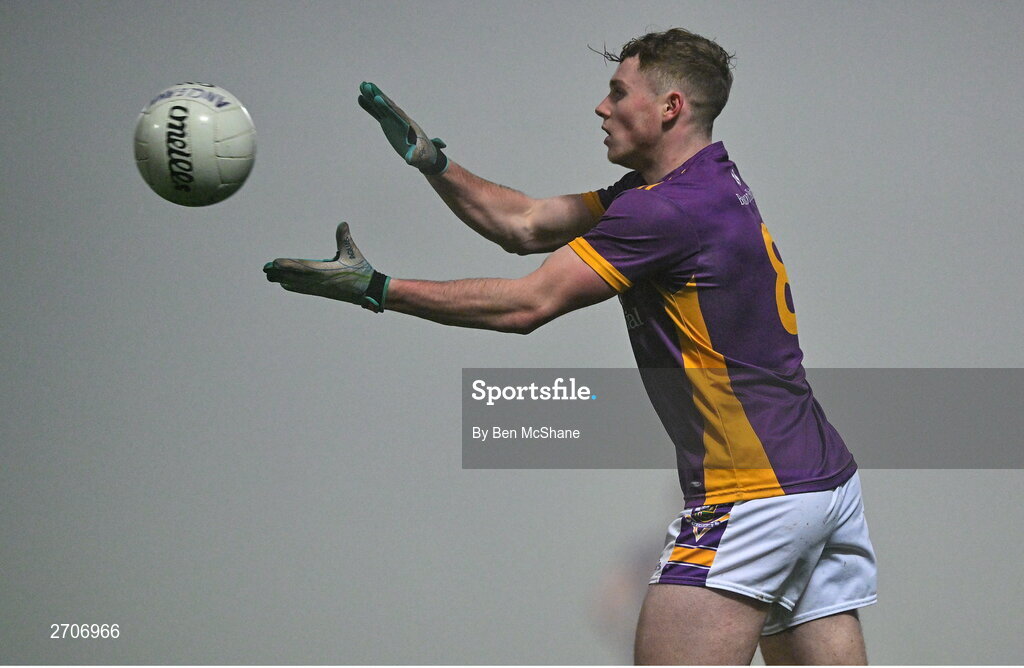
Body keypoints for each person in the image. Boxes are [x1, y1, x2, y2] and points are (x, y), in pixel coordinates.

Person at [264, 28, 877, 665]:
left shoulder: (662, 215)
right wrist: (434, 165)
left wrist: (378, 288)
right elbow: (525, 225)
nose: (601, 107)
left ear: (670, 108)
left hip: (753, 494)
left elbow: (526, 305)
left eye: (618, 92)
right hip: (823, 483)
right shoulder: (698, 186)